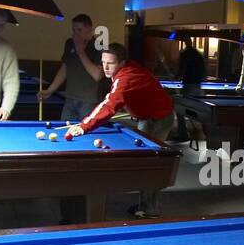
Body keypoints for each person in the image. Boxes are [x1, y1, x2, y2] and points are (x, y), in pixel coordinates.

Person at [67, 43, 175, 218]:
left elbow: (109, 105)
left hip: (159, 119)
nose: (105, 67)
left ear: (122, 63)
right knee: (145, 162)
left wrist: (83, 126)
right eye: (103, 62)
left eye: (110, 63)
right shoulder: (126, 71)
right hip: (147, 116)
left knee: (150, 163)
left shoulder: (126, 77)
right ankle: (146, 203)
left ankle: (151, 209)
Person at [40, 13, 103, 121]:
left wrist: (81, 52)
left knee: (86, 130)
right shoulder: (69, 43)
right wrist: (50, 90)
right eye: (73, 30)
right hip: (69, 99)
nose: (75, 33)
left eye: (79, 30)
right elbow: (65, 69)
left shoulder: (99, 46)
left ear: (89, 29)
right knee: (65, 129)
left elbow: (97, 75)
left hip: (88, 102)